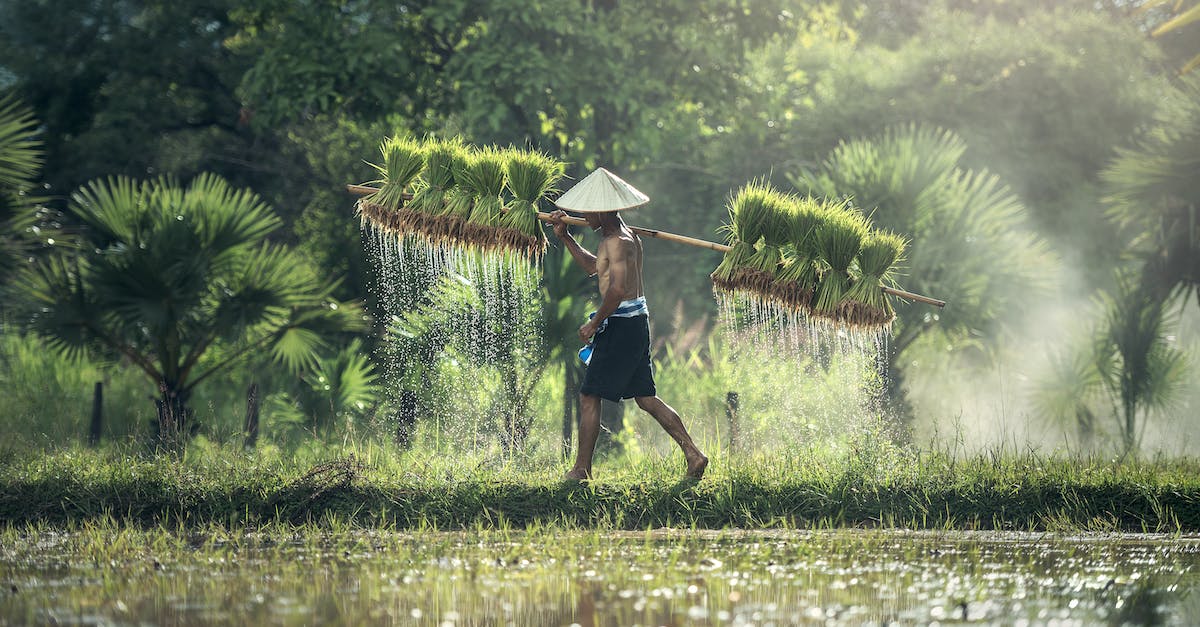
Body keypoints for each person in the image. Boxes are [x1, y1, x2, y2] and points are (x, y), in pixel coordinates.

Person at [547, 167, 708, 481]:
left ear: (604, 210)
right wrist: (565, 237)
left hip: (622, 326)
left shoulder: (620, 241)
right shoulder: (616, 238)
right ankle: (694, 454)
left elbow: (617, 291)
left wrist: (594, 323)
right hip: (633, 324)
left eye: (589, 210)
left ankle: (581, 469)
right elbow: (595, 268)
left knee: (589, 395)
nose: (584, 215)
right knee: (645, 398)